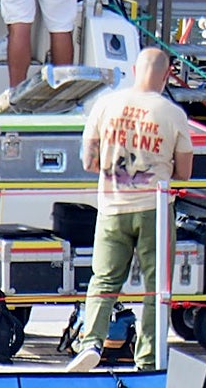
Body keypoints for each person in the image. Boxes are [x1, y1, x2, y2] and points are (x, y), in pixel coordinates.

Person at [68, 48, 193, 372]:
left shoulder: (105, 104)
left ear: (135, 69)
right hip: (154, 209)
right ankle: (148, 359)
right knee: (156, 286)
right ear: (166, 76)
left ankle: (90, 342)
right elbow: (184, 172)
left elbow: (88, 161)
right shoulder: (173, 113)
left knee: (103, 280)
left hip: (111, 206)